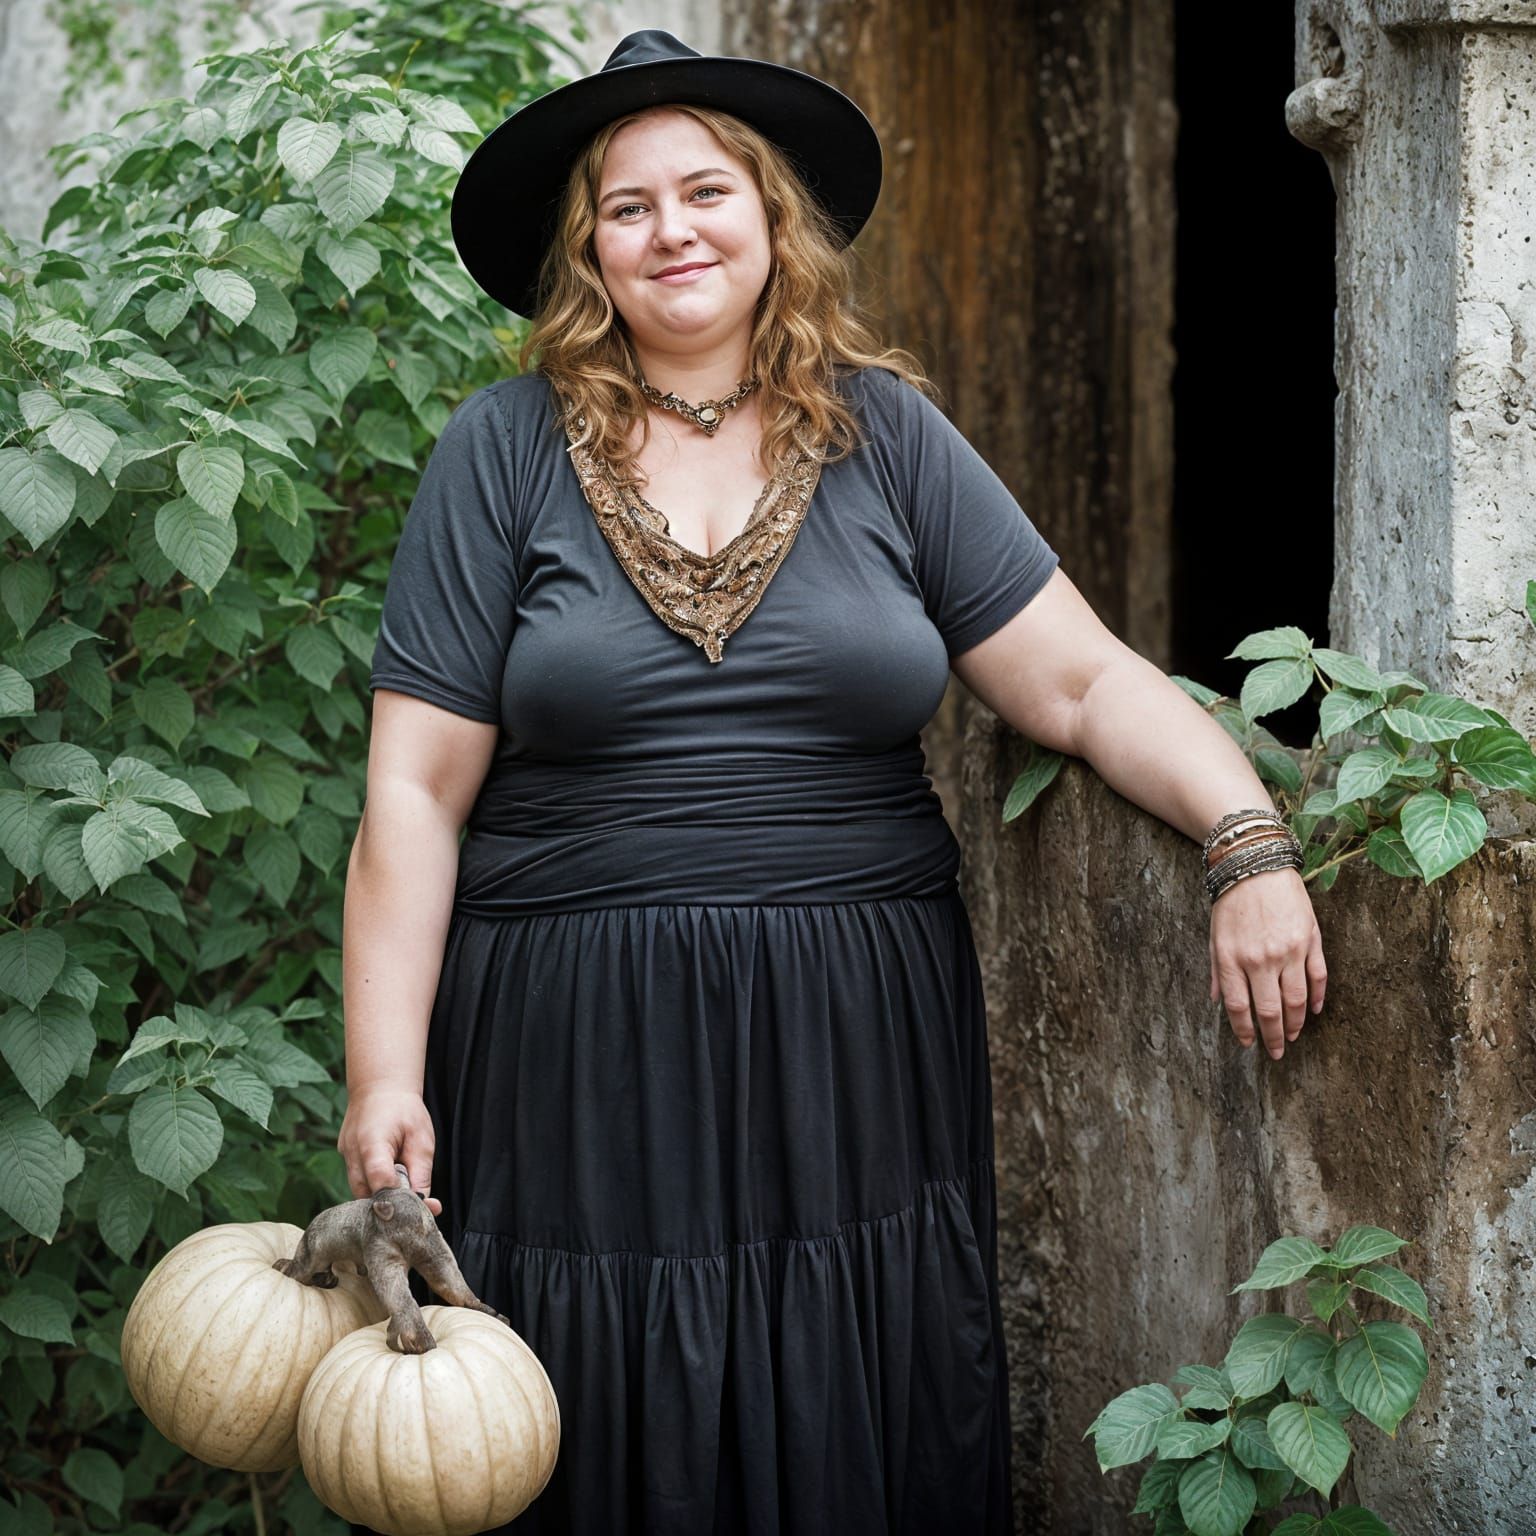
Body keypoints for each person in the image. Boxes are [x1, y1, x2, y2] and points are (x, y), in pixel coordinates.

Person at [339, 28, 1328, 1536]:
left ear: (770, 216)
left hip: (850, 1037)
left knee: (846, 1394)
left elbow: (1080, 680)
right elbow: (415, 794)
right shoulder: (501, 453)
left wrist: (1245, 837)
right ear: (587, 252)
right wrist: (383, 1079)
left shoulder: (883, 435)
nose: (672, 230)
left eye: (706, 191)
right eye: (626, 207)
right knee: (589, 1401)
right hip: (574, 1042)